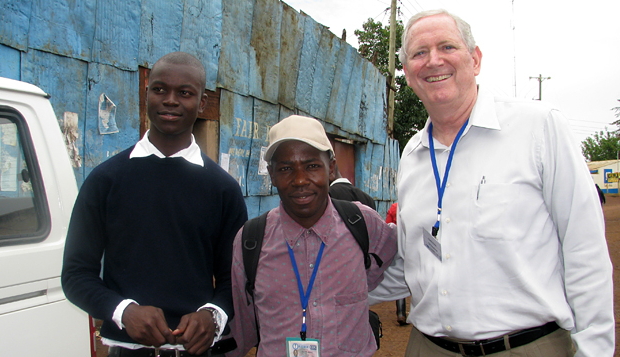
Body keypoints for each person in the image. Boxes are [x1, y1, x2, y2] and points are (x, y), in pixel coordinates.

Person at [369, 9, 614, 357]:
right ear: (408, 74)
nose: (433, 60)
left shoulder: (539, 128)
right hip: (428, 348)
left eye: (447, 47)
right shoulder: (412, 155)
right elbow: (414, 264)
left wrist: (595, 350)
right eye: (419, 53)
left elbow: (584, 249)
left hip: (527, 347)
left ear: (475, 59)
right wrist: (331, 285)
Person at [61, 52, 248, 357]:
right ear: (146, 93)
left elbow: (235, 280)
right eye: (160, 89)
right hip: (126, 351)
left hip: (197, 352)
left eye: (185, 93)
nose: (170, 100)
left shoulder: (223, 189)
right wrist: (124, 310)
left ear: (201, 103)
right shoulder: (105, 180)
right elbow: (75, 274)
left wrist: (214, 314)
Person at [227, 115, 397, 357]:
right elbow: (241, 325)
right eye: (286, 169)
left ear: (331, 168)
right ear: (272, 175)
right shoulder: (251, 240)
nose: (300, 180)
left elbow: (390, 265)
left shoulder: (363, 224)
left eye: (312, 166)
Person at [384, 202, 408, 326]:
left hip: (399, 244)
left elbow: (388, 225)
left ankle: (401, 313)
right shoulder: (415, 205)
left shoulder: (394, 207)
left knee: (401, 276)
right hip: (412, 244)